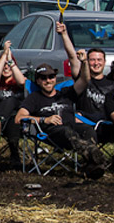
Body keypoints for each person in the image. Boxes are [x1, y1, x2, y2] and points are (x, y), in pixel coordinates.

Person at [14, 24, 107, 180]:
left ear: (55, 78)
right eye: (43, 78)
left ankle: (91, 164)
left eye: (51, 77)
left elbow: (85, 79)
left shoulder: (67, 93)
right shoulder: (34, 98)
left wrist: (84, 63)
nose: (48, 80)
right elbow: (19, 118)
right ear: (37, 80)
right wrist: (45, 119)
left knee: (88, 130)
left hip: (73, 126)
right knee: (66, 131)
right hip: (51, 132)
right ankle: (93, 155)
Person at [0, 39, 26, 170]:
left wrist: (10, 61)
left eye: (9, 64)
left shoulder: (19, 82)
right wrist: (4, 55)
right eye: (3, 64)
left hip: (13, 119)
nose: (6, 67)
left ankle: (14, 155)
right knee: (0, 120)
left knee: (13, 122)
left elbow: (23, 83)